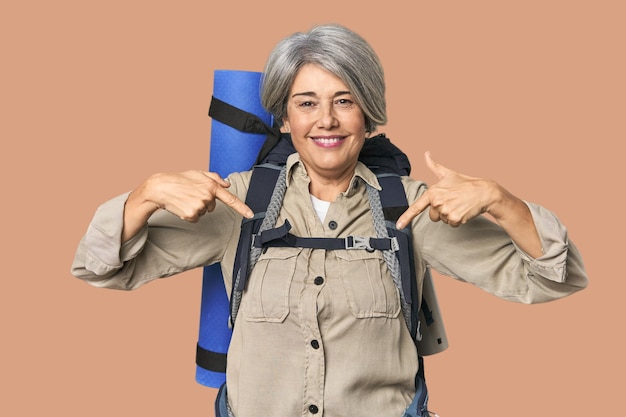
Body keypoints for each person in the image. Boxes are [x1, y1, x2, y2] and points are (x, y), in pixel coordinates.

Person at [71, 24, 588, 417]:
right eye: (307, 103)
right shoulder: (239, 204)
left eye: (345, 101)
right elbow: (101, 268)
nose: (326, 120)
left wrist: (503, 202)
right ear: (284, 117)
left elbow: (553, 277)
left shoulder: (411, 211)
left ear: (368, 113)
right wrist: (142, 198)